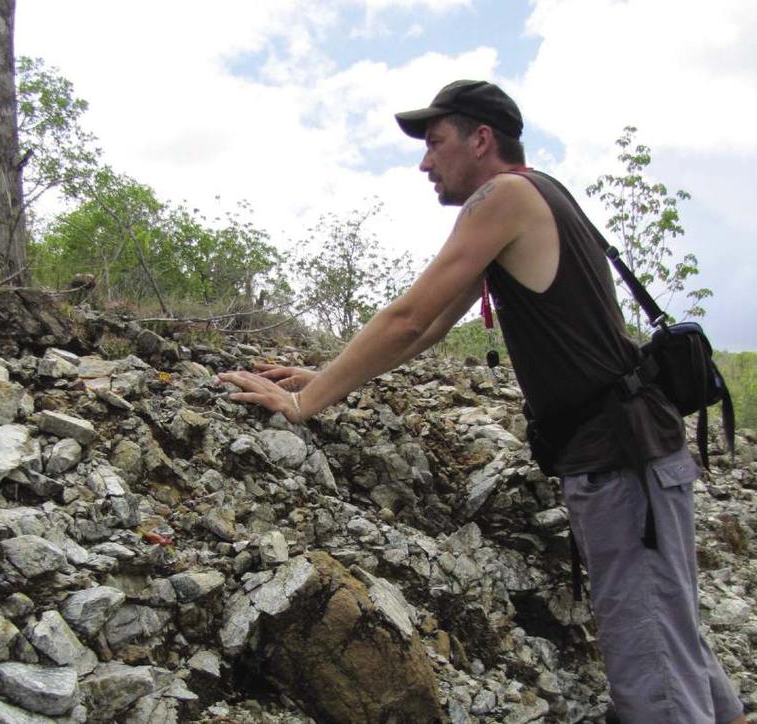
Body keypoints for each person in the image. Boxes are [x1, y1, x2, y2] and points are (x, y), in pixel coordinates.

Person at [218, 80, 745, 724]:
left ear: (481, 140)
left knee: (653, 669)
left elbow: (409, 316)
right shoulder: (538, 194)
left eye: (436, 143)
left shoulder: (504, 197)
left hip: (622, 463)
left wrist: (305, 406)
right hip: (632, 456)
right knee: (668, 634)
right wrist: (324, 373)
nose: (424, 163)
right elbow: (435, 323)